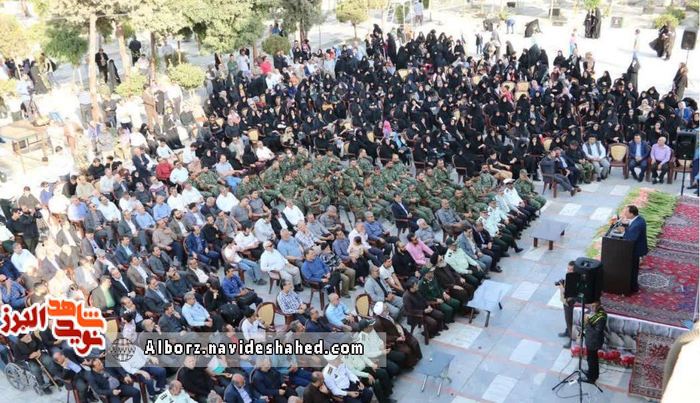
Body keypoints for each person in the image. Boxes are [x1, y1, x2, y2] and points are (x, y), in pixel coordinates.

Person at [620, 205, 648, 294]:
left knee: (633, 269)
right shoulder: (638, 219)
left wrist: (623, 231)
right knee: (633, 268)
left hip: (635, 250)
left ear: (632, 214)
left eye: (626, 212)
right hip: (637, 247)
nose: (624, 214)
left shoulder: (637, 225)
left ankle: (633, 288)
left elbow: (630, 239)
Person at [583, 301, 607, 384]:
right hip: (589, 339)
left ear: (599, 305)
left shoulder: (601, 317)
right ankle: (591, 372)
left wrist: (587, 324)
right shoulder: (591, 311)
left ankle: (592, 378)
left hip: (594, 341)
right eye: (592, 306)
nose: (593, 308)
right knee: (590, 358)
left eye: (595, 306)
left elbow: (597, 332)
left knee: (592, 360)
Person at [556, 261, 576, 348]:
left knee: (570, 321)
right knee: (567, 320)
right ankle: (567, 331)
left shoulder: (574, 280)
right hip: (565, 302)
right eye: (568, 268)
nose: (568, 271)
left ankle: (572, 341)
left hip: (570, 304)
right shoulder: (569, 276)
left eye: (571, 269)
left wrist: (561, 287)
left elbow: (567, 293)